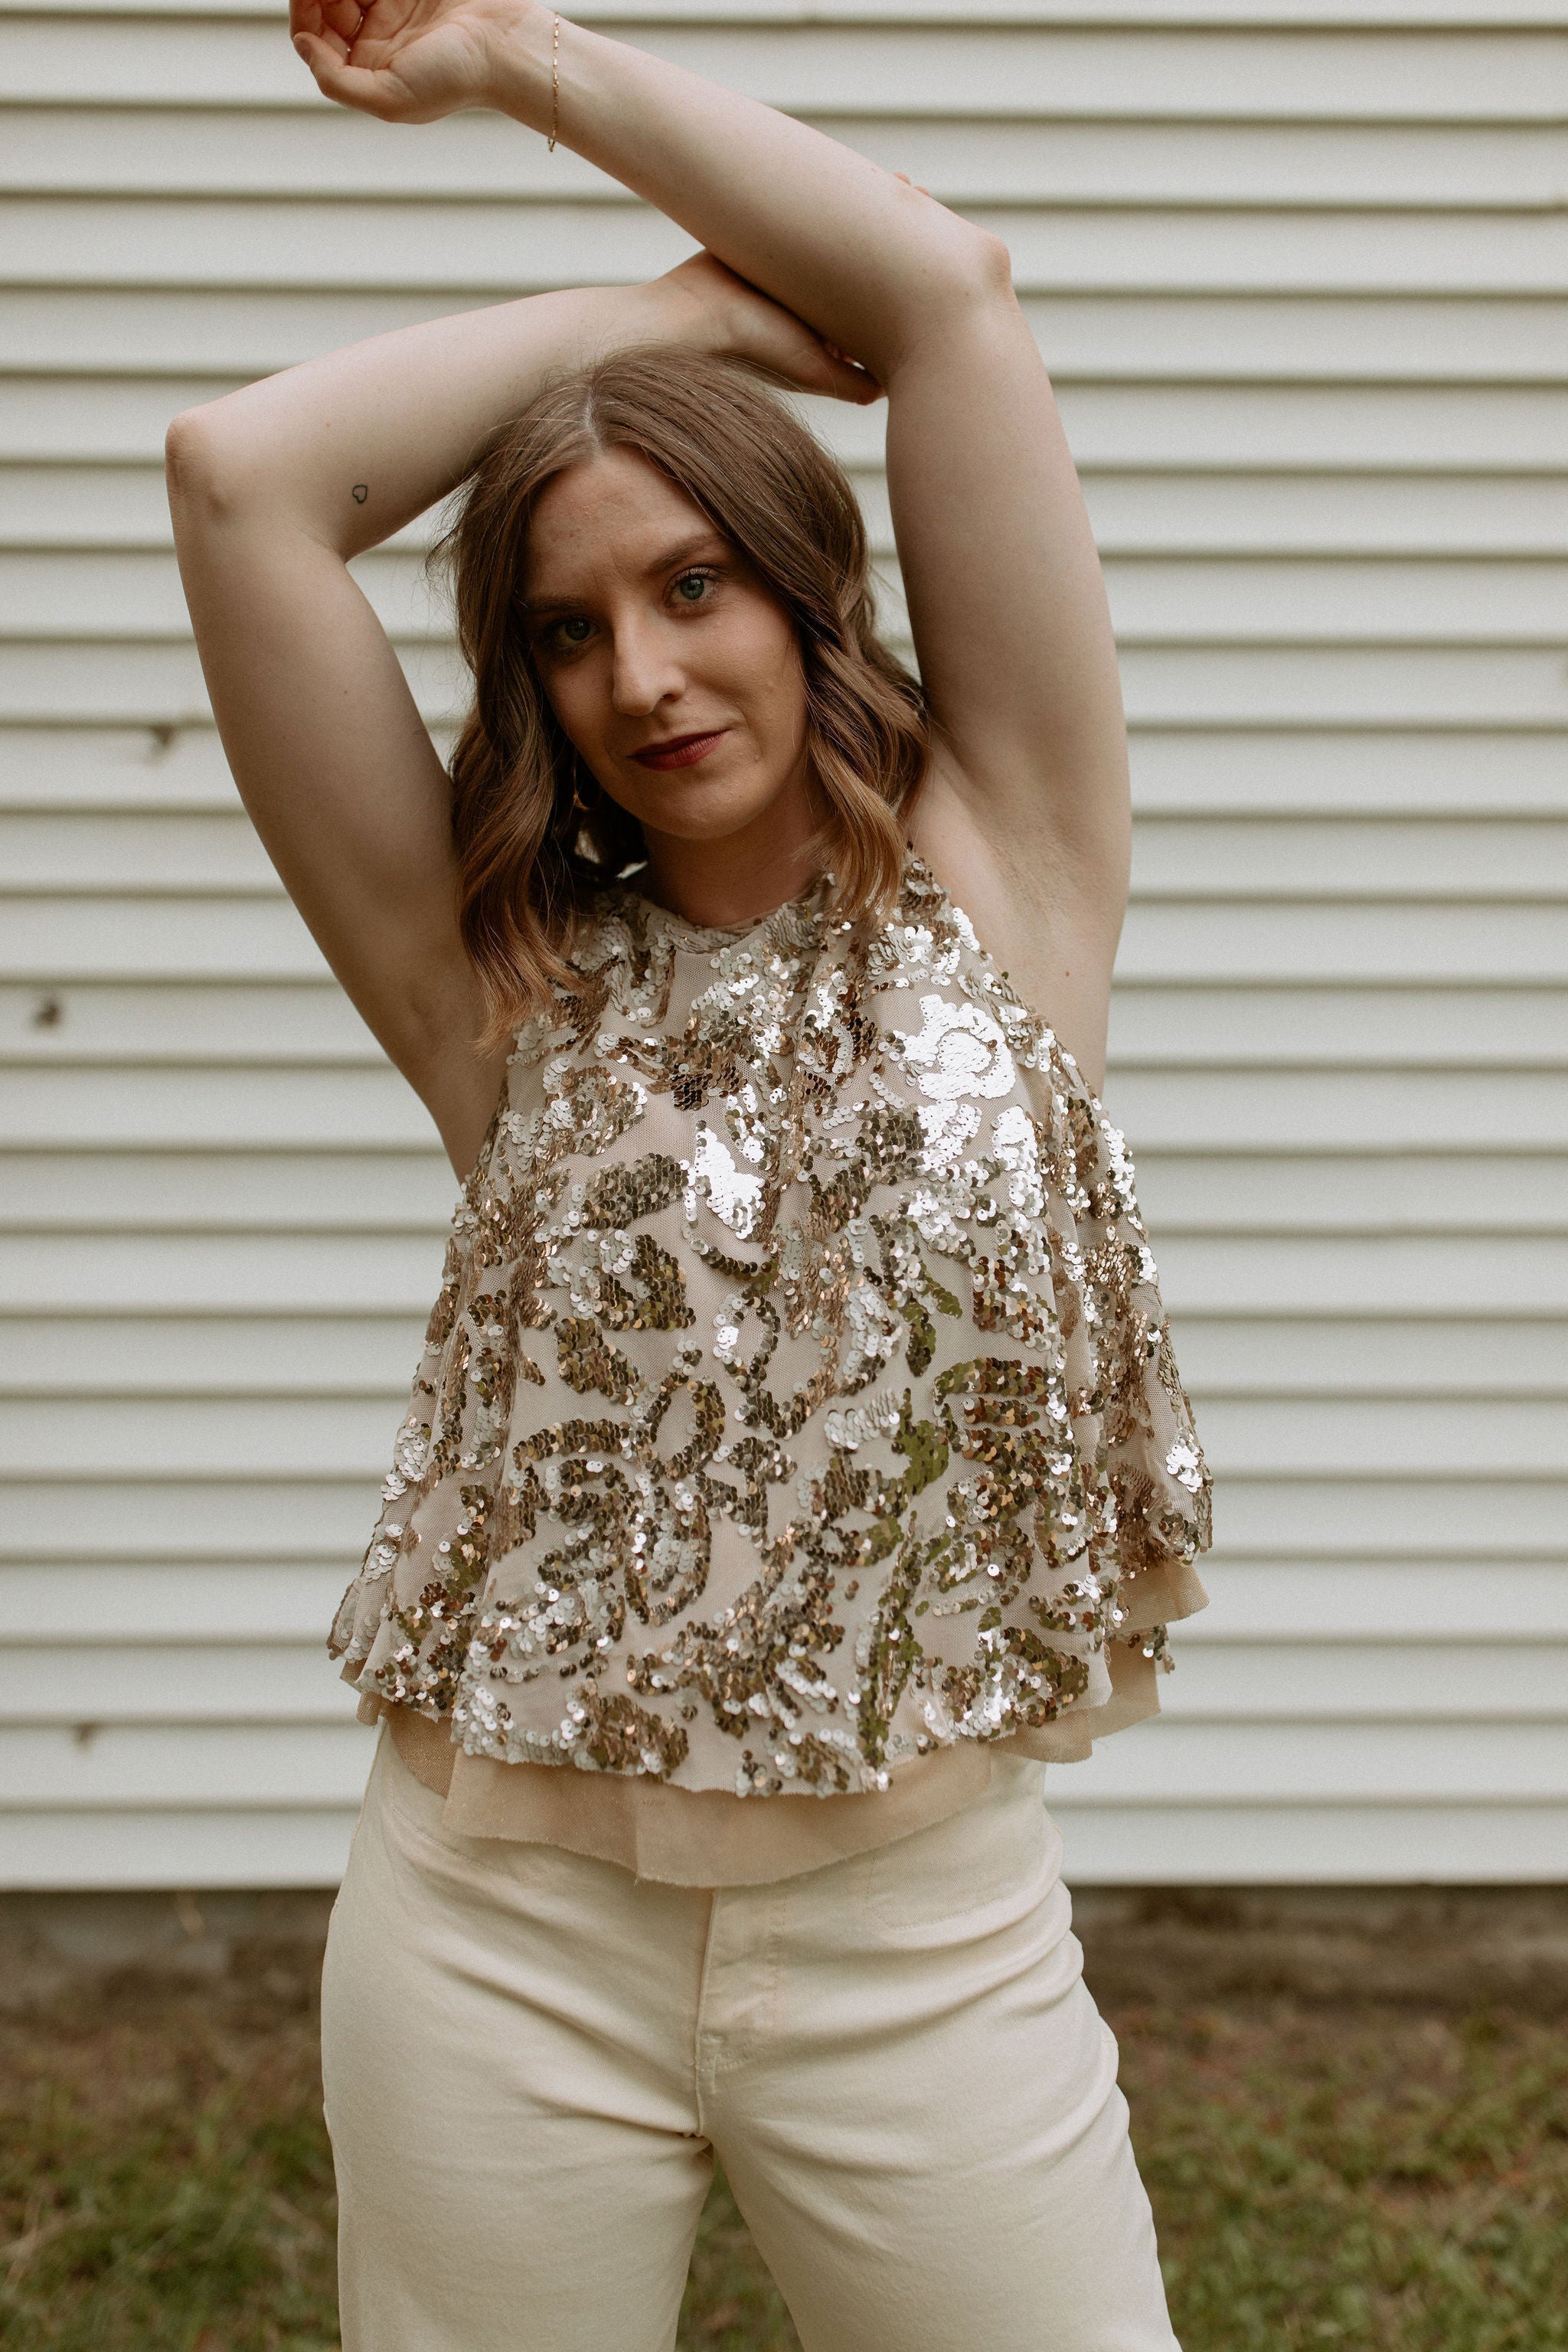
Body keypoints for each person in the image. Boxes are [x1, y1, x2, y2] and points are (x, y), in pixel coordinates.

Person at [165, 3, 1214, 2344]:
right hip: (495, 1929)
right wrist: (662, 331)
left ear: (802, 590)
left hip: (921, 1938)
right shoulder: (498, 986)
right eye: (567, 629)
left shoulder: (1012, 868)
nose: (639, 674)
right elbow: (241, 480)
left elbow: (940, 287)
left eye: (692, 584)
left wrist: (512, 59)